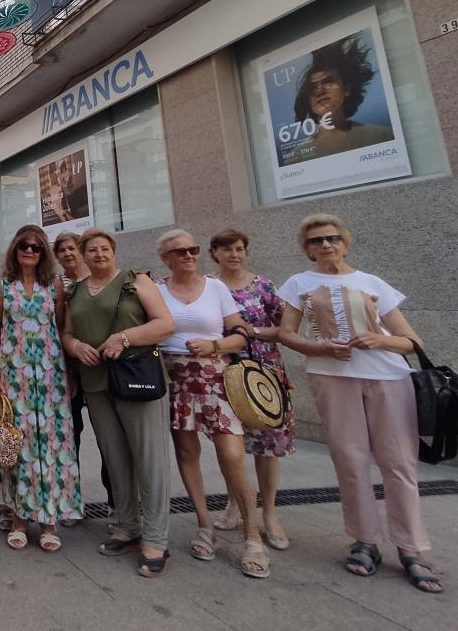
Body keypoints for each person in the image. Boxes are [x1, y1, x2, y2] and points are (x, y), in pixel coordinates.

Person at [276, 214, 442, 594]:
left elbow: (412, 341)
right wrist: (318, 347)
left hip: (388, 378)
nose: (325, 245)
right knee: (350, 461)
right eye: (316, 241)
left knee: (398, 462)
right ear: (307, 249)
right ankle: (365, 540)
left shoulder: (371, 282)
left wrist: (379, 340)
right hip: (332, 378)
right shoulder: (299, 283)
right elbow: (287, 334)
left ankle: (411, 547)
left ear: (346, 243)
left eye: (332, 238)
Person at [156, 229, 269, 580]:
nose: (190, 255)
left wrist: (214, 347)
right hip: (174, 377)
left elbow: (240, 331)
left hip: (215, 375)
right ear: (167, 258)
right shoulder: (157, 289)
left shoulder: (216, 287)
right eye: (181, 251)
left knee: (232, 455)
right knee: (187, 454)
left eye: (192, 249)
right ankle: (205, 525)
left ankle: (253, 536)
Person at [63, 228, 175, 577]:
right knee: (115, 456)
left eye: (104, 248)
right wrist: (75, 346)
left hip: (136, 378)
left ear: (113, 251)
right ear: (82, 255)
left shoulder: (135, 281)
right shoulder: (77, 290)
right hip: (96, 383)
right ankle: (128, 526)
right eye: (91, 250)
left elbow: (166, 324)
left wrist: (124, 337)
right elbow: (67, 332)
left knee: (149, 456)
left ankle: (156, 537)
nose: (98, 254)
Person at [0, 225, 82, 553]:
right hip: (14, 376)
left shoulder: (52, 285)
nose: (29, 250)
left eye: (37, 246)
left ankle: (50, 518)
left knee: (53, 448)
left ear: (43, 253)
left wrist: (69, 374)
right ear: (15, 249)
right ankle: (19, 517)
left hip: (50, 376)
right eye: (24, 245)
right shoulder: (1, 285)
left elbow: (60, 329)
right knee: (19, 447)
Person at [209, 228, 294, 549]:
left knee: (268, 446)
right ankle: (236, 503)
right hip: (224, 372)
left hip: (263, 373)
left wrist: (250, 331)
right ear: (214, 252)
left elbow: (287, 327)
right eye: (227, 248)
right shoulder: (209, 286)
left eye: (240, 249)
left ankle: (269, 514)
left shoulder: (263, 286)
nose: (235, 254)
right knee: (231, 444)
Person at [54, 231, 112, 521]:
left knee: (109, 438)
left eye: (72, 248)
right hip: (68, 371)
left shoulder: (103, 281)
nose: (68, 253)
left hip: (104, 369)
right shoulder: (56, 285)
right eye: (62, 249)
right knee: (70, 437)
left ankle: (116, 498)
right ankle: (70, 501)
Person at [284, 36, 394, 164]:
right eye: (313, 87)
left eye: (328, 81)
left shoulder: (381, 136)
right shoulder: (297, 157)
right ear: (308, 100)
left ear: (346, 88)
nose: (320, 91)